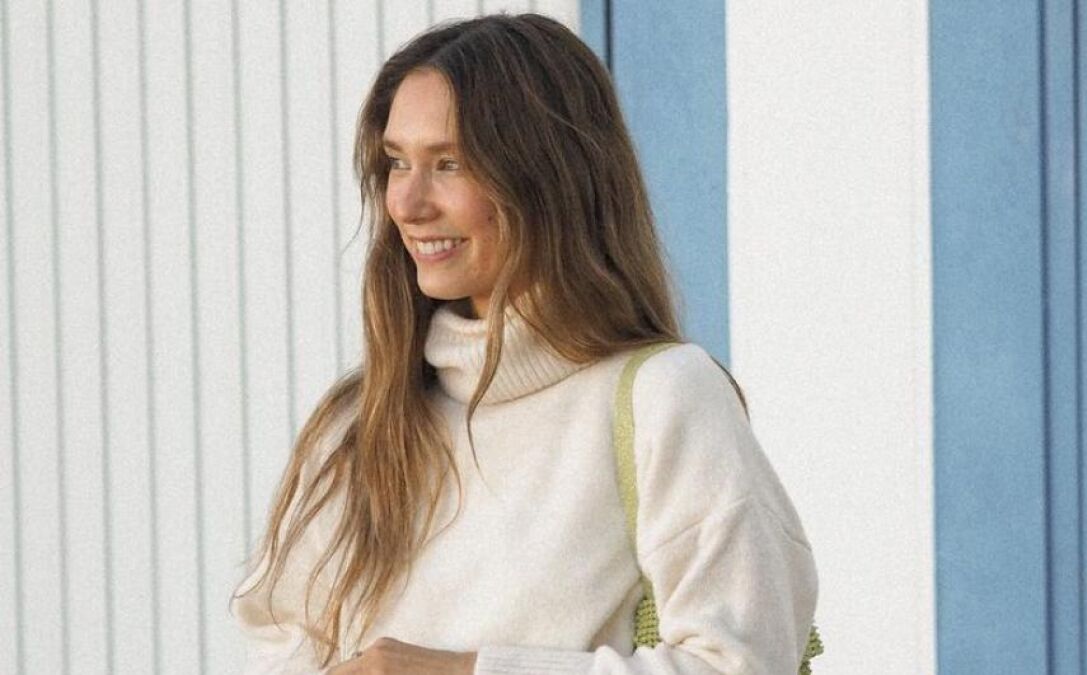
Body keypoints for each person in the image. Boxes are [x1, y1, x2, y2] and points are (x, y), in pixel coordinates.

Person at [230, 13, 818, 674]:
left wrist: (464, 671)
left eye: (449, 163)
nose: (408, 204)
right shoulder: (359, 426)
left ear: (547, 178)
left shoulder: (663, 398)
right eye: (397, 163)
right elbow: (281, 648)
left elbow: (740, 664)